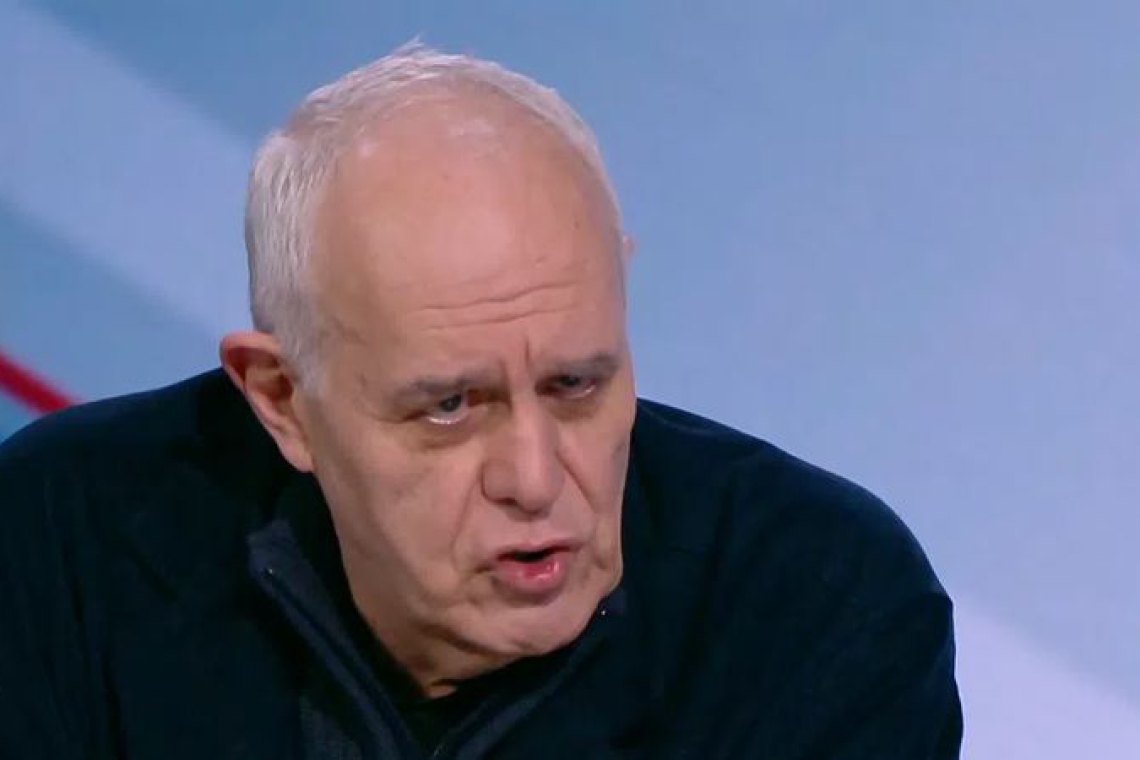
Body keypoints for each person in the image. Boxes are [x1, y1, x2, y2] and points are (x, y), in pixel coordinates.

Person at [0, 44, 961, 759]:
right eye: (451, 407)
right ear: (283, 400)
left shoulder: (818, 606)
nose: (536, 481)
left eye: (576, 385)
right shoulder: (59, 541)